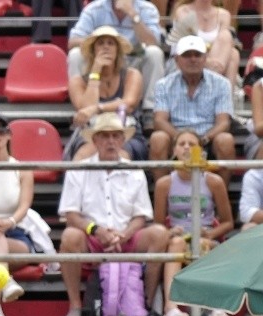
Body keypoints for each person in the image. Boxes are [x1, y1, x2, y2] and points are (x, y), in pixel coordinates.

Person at [57, 112, 169, 316]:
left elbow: (141, 216)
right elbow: (71, 215)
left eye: (115, 136)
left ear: (122, 140)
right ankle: (75, 306)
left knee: (159, 234)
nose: (110, 141)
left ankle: (146, 302)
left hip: (126, 236)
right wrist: (96, 231)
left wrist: (124, 235)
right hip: (92, 237)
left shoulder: (135, 172)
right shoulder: (78, 170)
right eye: (105, 136)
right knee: (70, 236)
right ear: (95, 140)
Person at [0, 113, 54, 316]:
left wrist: (9, 223)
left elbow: (24, 206)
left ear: (9, 135)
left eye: (1, 130)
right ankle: (0, 294)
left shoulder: (22, 169)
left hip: (16, 233)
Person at [153, 128, 234, 316]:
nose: (187, 147)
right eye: (182, 144)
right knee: (177, 244)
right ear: (174, 150)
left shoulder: (214, 181)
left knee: (205, 245)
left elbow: (228, 222)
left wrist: (211, 233)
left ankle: (217, 309)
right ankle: (171, 308)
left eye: (192, 144)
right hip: (178, 238)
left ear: (201, 151)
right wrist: (171, 231)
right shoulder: (165, 183)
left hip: (206, 237)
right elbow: (157, 225)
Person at [149, 35, 234, 185]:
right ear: (177, 60)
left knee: (225, 140)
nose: (193, 59)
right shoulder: (163, 84)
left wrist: (203, 139)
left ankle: (221, 198)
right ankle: (161, 196)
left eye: (197, 55)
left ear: (205, 58)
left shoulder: (222, 84)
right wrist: (182, 140)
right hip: (175, 137)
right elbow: (159, 120)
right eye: (187, 55)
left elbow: (223, 123)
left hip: (208, 138)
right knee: (158, 138)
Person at [66, 25, 147, 161]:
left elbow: (129, 104)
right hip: (91, 132)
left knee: (119, 154)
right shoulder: (77, 81)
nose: (106, 47)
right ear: (93, 51)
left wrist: (98, 108)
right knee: (85, 153)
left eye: (111, 43)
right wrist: (95, 71)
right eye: (100, 43)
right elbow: (85, 110)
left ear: (118, 50)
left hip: (126, 132)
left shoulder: (131, 75)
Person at [67, 0, 165, 112]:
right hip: (99, 61)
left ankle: (150, 109)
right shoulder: (94, 9)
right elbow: (73, 41)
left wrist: (133, 15)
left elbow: (152, 42)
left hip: (133, 59)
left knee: (155, 53)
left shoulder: (147, 9)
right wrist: (100, 41)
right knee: (75, 54)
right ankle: (78, 99)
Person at [165, 0, 240, 84]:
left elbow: (224, 46)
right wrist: (206, 59)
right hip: (187, 57)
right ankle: (212, 86)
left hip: (215, 62)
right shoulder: (183, 11)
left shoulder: (224, 15)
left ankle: (224, 94)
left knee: (233, 51)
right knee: (231, 54)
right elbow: (189, 44)